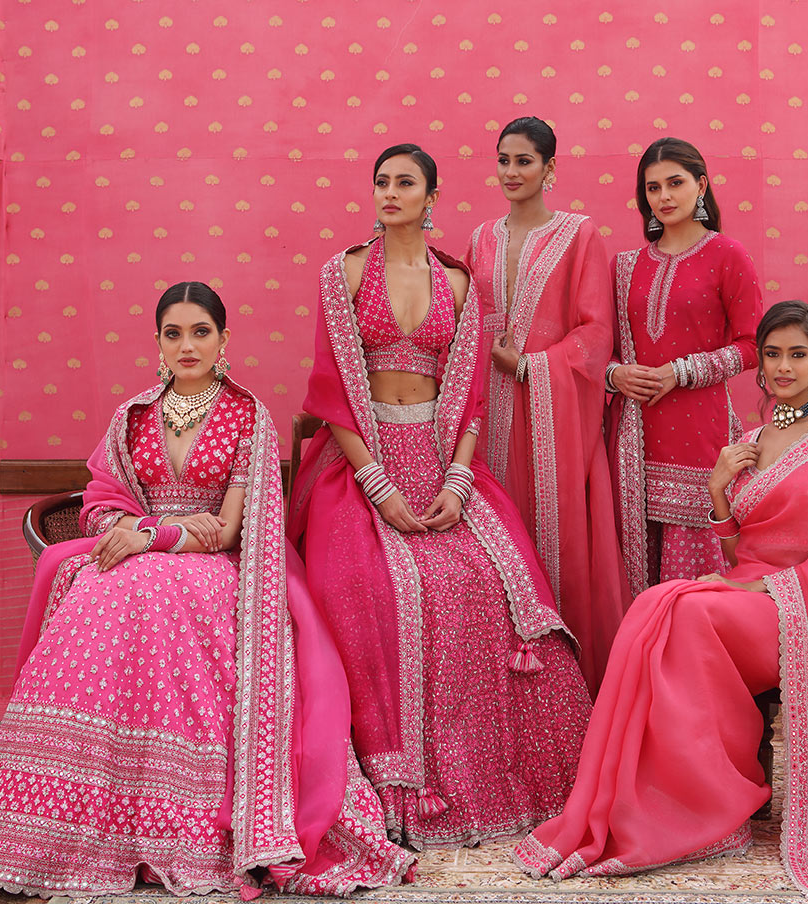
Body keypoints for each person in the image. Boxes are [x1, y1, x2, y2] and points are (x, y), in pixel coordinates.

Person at [515, 300, 808, 903]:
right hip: (756, 596)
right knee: (656, 607)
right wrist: (719, 490)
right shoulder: (750, 441)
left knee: (687, 610)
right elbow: (742, 548)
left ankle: (709, 804)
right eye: (772, 354)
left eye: (798, 354)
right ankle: (681, 802)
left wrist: (769, 587)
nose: (783, 367)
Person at [0, 283, 415, 897]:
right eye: (174, 334)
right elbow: (101, 504)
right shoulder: (133, 415)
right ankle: (61, 819)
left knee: (151, 589)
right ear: (157, 342)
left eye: (201, 332)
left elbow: (226, 530)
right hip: (138, 551)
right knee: (99, 590)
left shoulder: (247, 417)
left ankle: (177, 821)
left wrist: (154, 536)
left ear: (224, 339)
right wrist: (137, 532)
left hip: (217, 565)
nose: (187, 345)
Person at [287, 144, 592, 851]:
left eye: (406, 183)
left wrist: (457, 480)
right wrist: (377, 486)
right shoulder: (344, 273)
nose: (390, 192)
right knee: (367, 585)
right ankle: (398, 783)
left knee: (491, 582)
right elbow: (331, 391)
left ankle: (513, 782)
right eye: (382, 181)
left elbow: (471, 394)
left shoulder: (456, 282)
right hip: (359, 460)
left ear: (431, 198)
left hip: (440, 457)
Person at [465, 116, 629, 694]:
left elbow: (595, 334)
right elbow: (466, 323)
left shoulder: (579, 235)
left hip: (553, 422)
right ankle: (502, 691)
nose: (511, 172)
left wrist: (530, 367)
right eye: (503, 160)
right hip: (488, 418)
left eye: (524, 161)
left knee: (554, 541)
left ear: (549, 167)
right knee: (492, 545)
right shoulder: (481, 239)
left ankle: (567, 689)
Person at [605, 137, 762, 597]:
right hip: (632, 438)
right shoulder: (624, 267)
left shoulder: (727, 255)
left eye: (675, 183)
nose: (664, 197)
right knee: (636, 570)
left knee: (692, 581)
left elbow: (753, 346)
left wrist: (683, 371)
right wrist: (615, 375)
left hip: (699, 436)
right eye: (652, 188)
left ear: (701, 186)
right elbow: (600, 350)